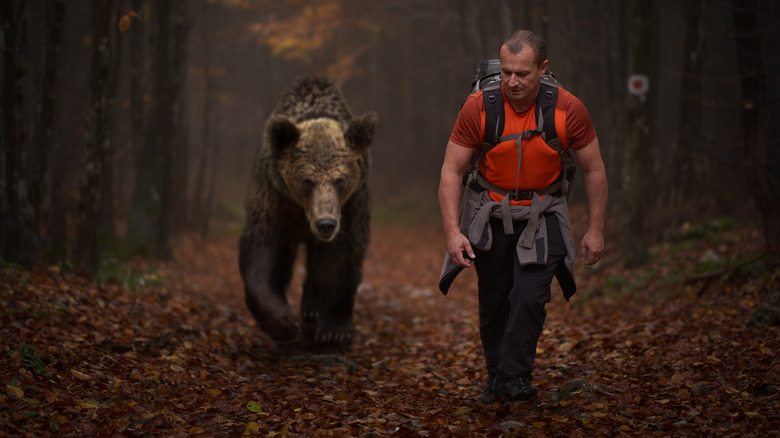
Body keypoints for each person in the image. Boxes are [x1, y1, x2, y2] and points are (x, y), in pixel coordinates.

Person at [438, 29, 608, 403]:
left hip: (543, 212)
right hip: (489, 213)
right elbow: (451, 171)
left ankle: (514, 374)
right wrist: (453, 232)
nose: (512, 82)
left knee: (531, 297)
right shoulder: (479, 106)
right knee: (494, 298)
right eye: (506, 73)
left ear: (543, 69)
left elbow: (594, 169)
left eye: (522, 74)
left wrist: (595, 230)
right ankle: (496, 377)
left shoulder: (567, 109)